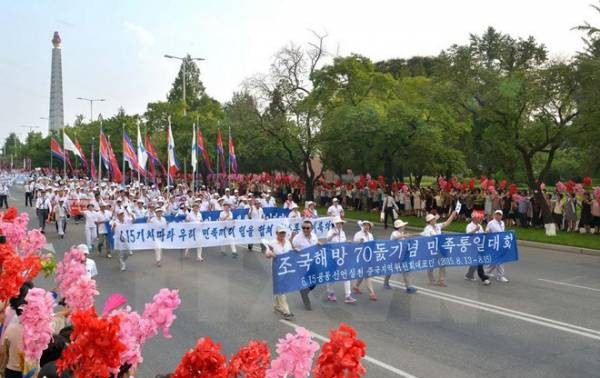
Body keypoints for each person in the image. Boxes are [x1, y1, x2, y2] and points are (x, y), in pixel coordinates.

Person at [265, 225, 295, 320]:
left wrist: (295, 251)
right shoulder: (272, 243)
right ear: (276, 233)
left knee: (282, 288)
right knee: (281, 289)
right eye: (280, 233)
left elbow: (290, 253)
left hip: (286, 268)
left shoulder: (287, 242)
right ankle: (286, 311)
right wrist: (270, 254)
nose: (282, 234)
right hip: (277, 268)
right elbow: (267, 254)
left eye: (283, 233)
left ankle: (277, 306)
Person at [422, 210, 457, 287]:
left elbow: (446, 223)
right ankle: (431, 280)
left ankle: (441, 281)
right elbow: (428, 239)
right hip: (431, 250)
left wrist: (452, 215)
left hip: (440, 249)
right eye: (433, 219)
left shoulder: (438, 226)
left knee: (443, 264)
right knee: (431, 265)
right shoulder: (427, 229)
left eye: (434, 219)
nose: (434, 220)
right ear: (429, 221)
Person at [325, 216, 356, 304]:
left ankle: (348, 295)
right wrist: (332, 235)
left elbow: (343, 243)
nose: (340, 225)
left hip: (341, 257)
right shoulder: (331, 231)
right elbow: (327, 240)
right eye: (338, 223)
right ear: (335, 224)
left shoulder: (343, 233)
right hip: (332, 257)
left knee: (346, 275)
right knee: (332, 276)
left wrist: (348, 242)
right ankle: (330, 292)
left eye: (341, 223)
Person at [383, 219, 418, 293]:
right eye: (403, 225)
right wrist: (405, 235)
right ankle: (386, 282)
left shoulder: (402, 233)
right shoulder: (394, 233)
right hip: (394, 255)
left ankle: (408, 287)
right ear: (399, 227)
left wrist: (416, 234)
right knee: (390, 269)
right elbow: (396, 237)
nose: (404, 226)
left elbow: (405, 239)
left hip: (402, 255)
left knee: (406, 270)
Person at [291, 220, 318, 310]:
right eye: (303, 228)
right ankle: (306, 300)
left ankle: (304, 291)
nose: (305, 230)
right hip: (302, 264)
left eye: (307, 228)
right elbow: (291, 248)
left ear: (311, 228)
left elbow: (316, 245)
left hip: (313, 262)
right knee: (305, 281)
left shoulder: (314, 236)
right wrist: (294, 250)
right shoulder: (297, 238)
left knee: (314, 281)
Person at [352, 220, 377, 301]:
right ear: (362, 226)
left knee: (363, 273)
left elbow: (372, 245)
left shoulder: (370, 235)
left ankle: (356, 286)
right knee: (367, 274)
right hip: (360, 257)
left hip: (368, 256)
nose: (366, 226)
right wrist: (359, 242)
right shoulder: (358, 234)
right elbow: (353, 244)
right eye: (365, 225)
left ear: (369, 226)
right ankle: (372, 293)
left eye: (368, 225)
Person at [464, 213, 492, 285]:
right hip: (472, 247)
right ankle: (484, 278)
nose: (479, 219)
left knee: (476, 263)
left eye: (479, 217)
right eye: (478, 217)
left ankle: (469, 275)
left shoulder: (479, 225)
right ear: (473, 218)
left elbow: (482, 235)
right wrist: (475, 230)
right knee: (479, 262)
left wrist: (486, 232)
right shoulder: (469, 226)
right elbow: (467, 235)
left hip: (479, 246)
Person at [486, 210, 509, 282]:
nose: (498, 216)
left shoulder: (502, 223)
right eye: (497, 214)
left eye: (500, 215)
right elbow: (487, 231)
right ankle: (500, 276)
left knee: (495, 259)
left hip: (501, 243)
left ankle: (487, 271)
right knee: (500, 260)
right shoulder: (491, 223)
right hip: (494, 244)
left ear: (502, 216)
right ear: (494, 215)